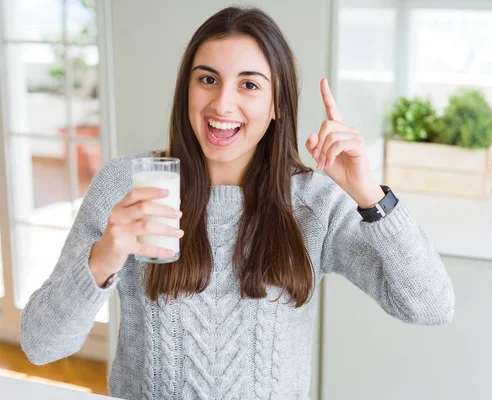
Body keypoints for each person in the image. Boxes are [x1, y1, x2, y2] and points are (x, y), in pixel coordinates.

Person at [20, 6, 454, 400]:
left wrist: (369, 194)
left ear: (277, 103)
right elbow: (40, 345)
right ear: (186, 90)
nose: (222, 103)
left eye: (249, 84)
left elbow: (431, 306)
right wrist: (103, 258)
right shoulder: (127, 185)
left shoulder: (314, 203)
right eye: (207, 79)